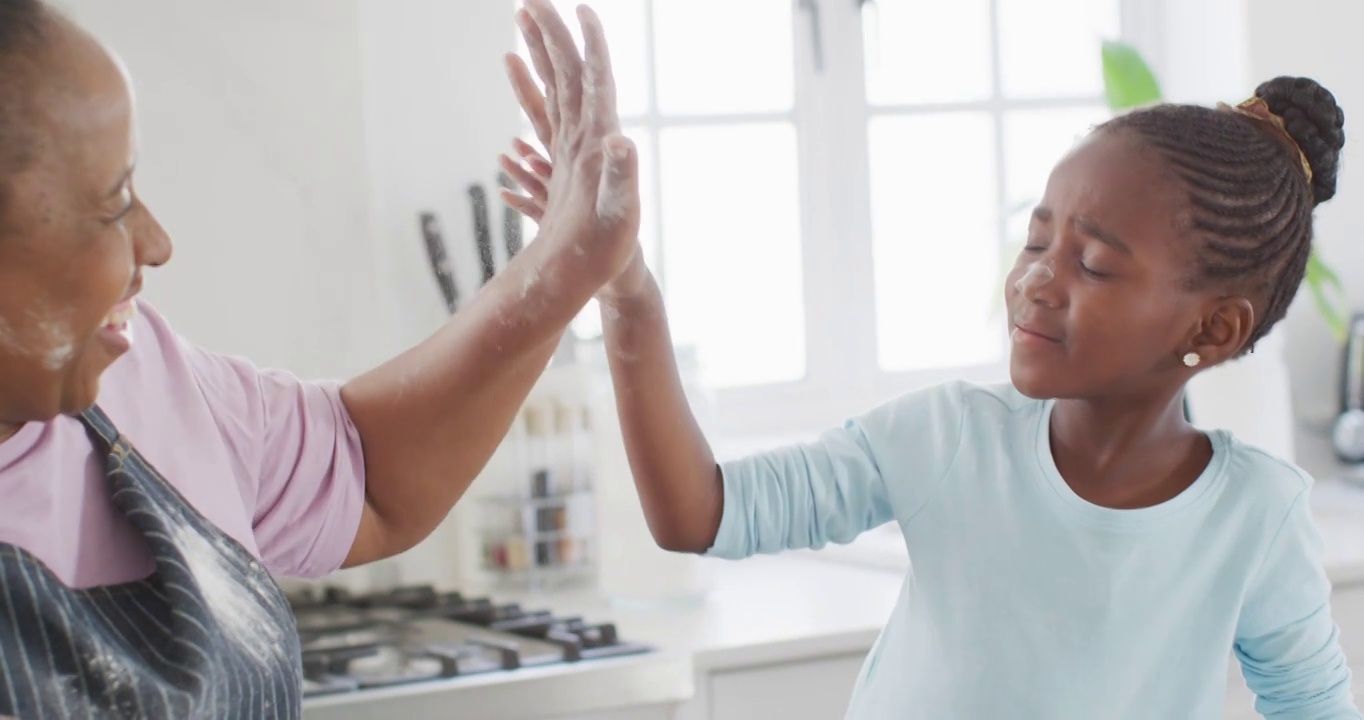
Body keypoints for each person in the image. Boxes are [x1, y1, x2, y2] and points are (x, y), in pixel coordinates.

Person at [501, 31, 1359, 718]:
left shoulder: (1256, 518)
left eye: (1092, 264)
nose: (1035, 278)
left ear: (1211, 329)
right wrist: (627, 292)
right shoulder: (945, 437)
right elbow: (700, 512)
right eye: (1035, 241)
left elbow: (1313, 707)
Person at [0, 0, 638, 717]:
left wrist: (560, 272)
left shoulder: (140, 371)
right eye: (115, 202)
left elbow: (368, 479)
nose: (155, 243)